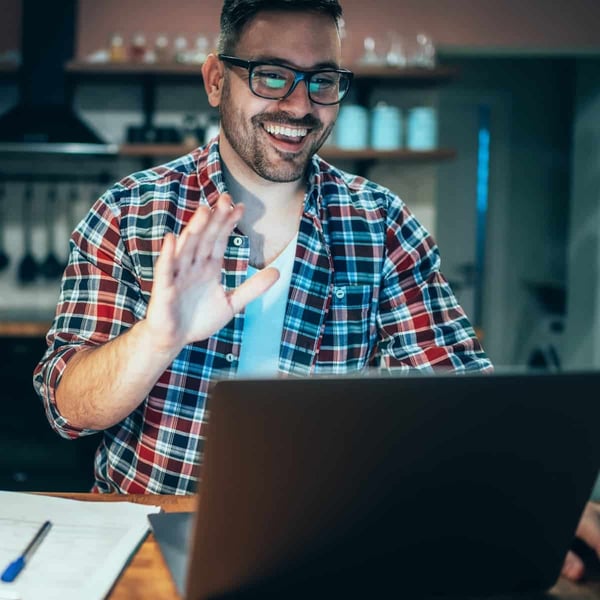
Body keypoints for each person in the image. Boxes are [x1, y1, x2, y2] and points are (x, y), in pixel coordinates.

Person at [32, 0, 598, 580]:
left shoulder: (381, 224)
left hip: (327, 543)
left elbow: (461, 398)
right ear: (214, 80)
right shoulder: (129, 212)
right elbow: (69, 410)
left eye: (322, 81)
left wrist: (537, 489)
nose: (300, 105)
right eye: (271, 75)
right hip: (148, 534)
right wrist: (158, 337)